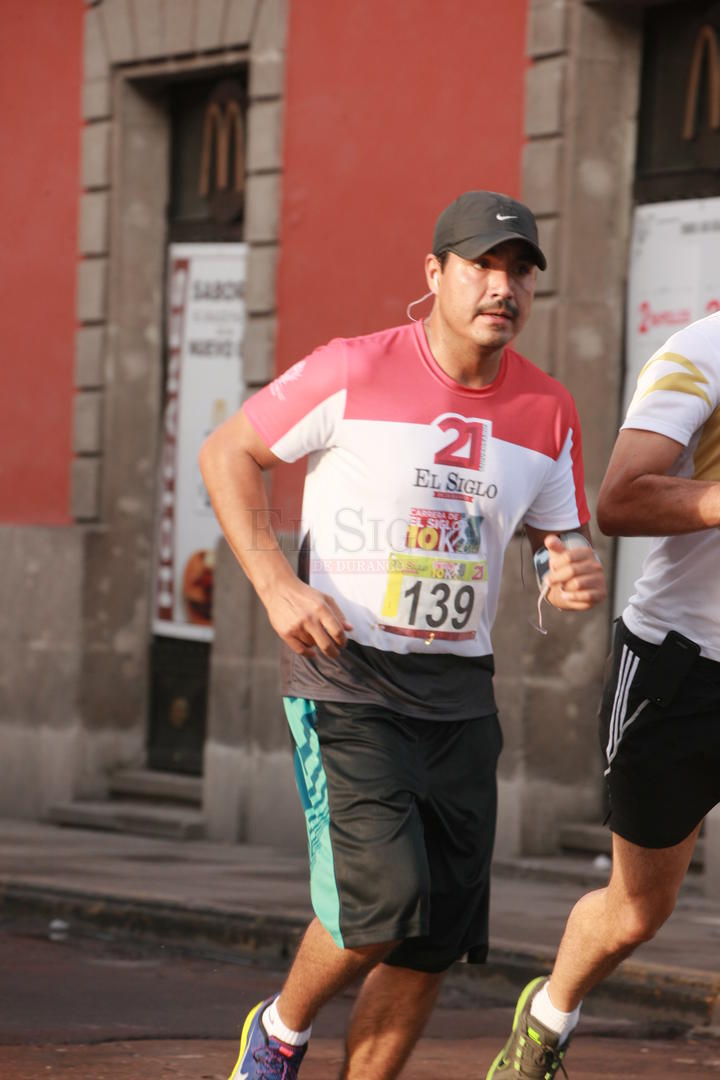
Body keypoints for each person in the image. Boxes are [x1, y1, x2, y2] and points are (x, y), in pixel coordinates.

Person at [199, 190, 606, 1080]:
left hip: (460, 692)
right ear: (435, 272)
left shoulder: (549, 408)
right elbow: (226, 452)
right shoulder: (353, 368)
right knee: (387, 899)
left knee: (435, 938)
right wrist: (276, 585)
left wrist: (569, 569)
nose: (502, 288)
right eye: (482, 266)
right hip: (347, 676)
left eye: (519, 272)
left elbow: (558, 536)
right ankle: (279, 1034)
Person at [486, 312, 720, 1079]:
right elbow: (620, 502)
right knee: (637, 910)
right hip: (682, 670)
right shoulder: (704, 351)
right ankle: (549, 1015)